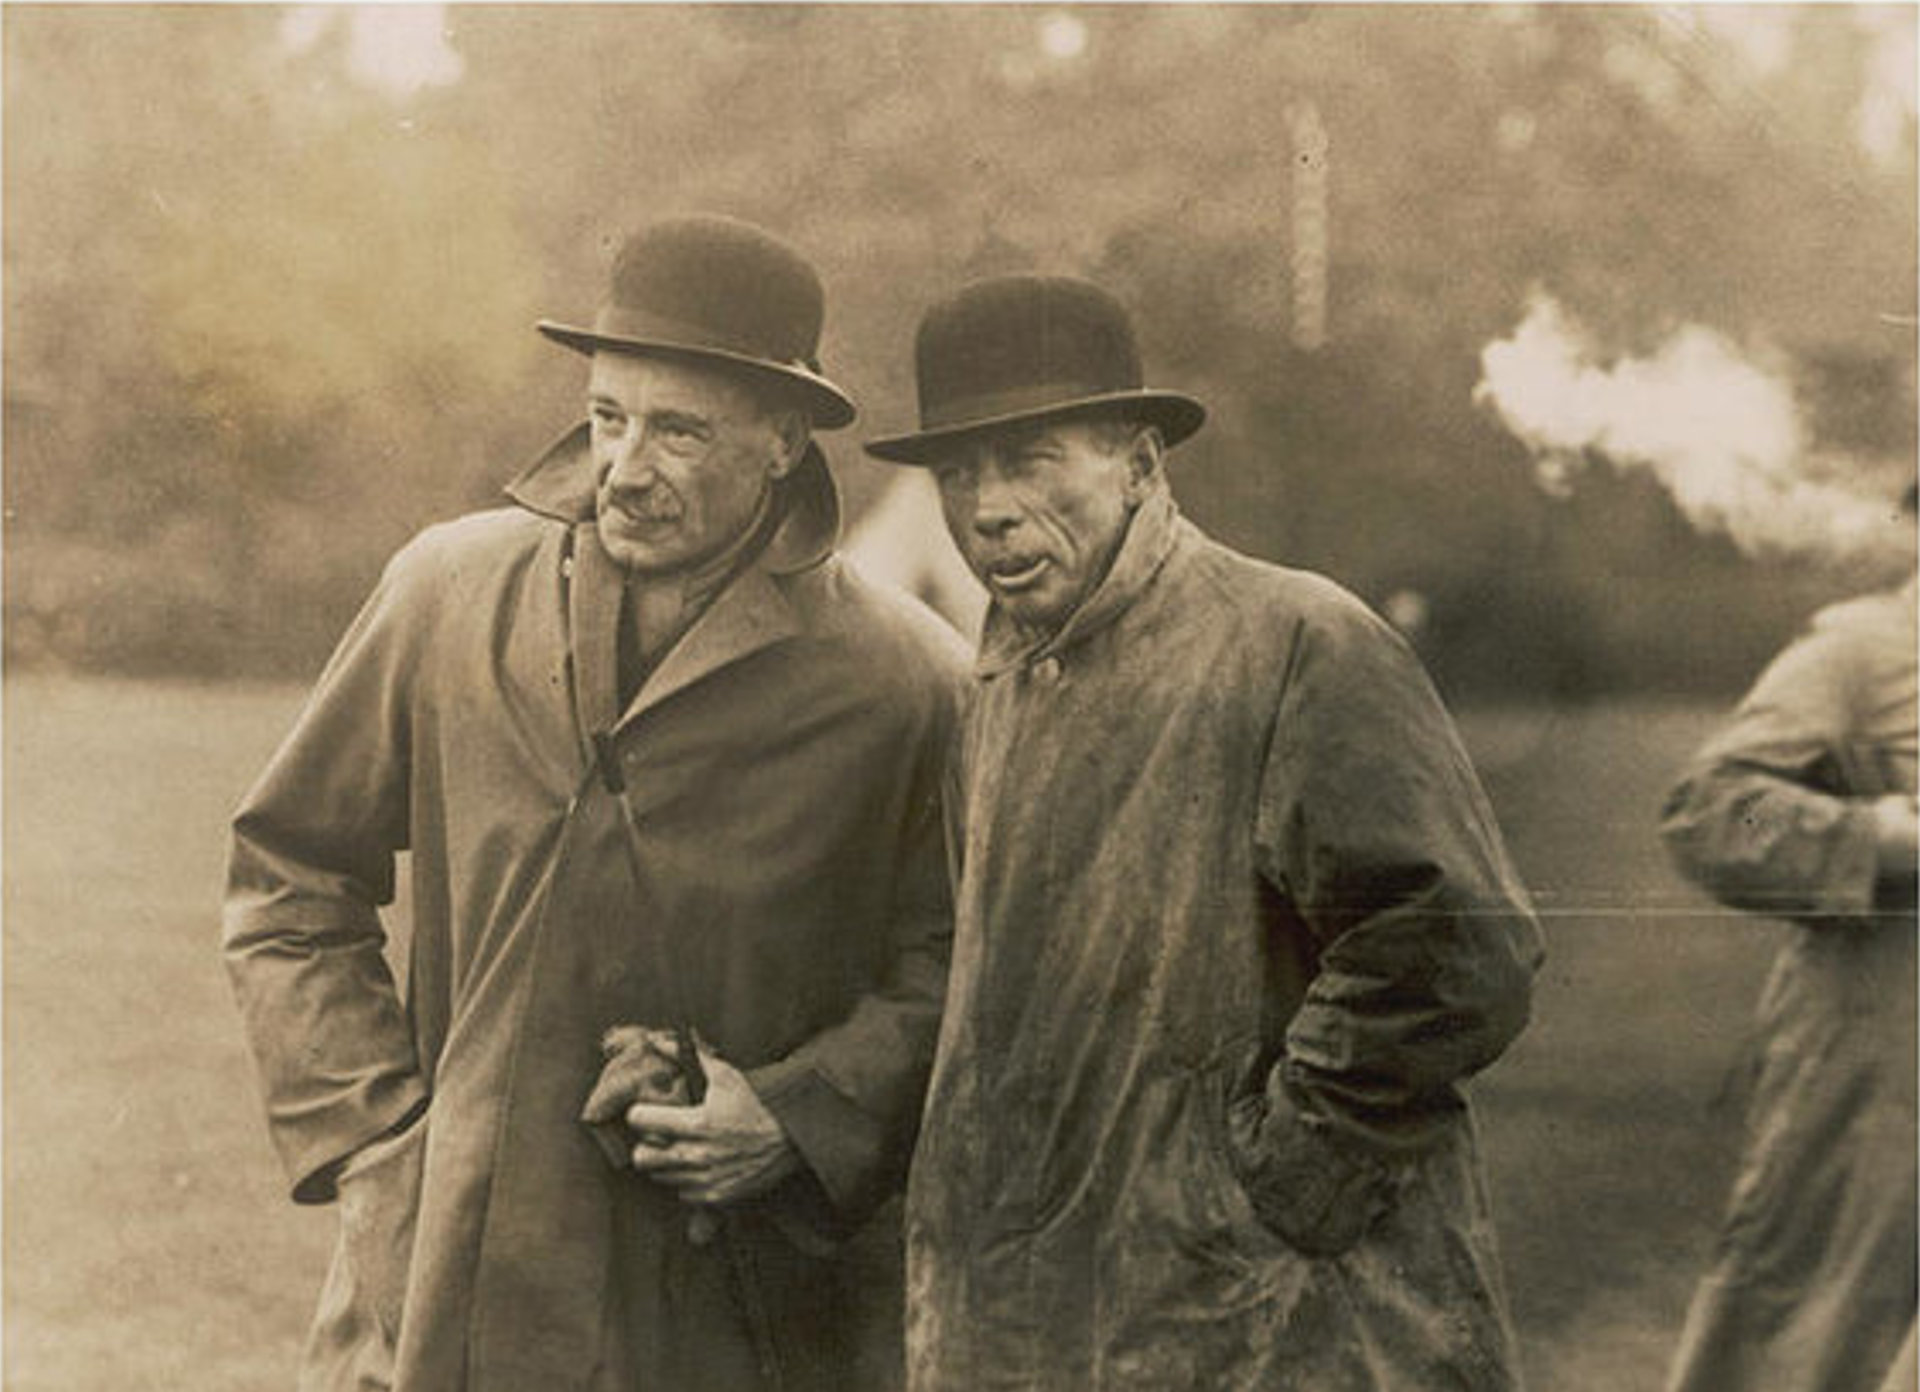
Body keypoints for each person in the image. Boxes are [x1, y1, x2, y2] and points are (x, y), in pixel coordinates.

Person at [223, 214, 968, 1392]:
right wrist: (374, 1147)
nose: (624, 466)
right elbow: (289, 876)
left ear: (783, 440)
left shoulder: (906, 682)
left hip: (739, 1309)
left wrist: (792, 1115)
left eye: (677, 430)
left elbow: (957, 970)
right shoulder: (445, 594)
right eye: (607, 417)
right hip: (438, 1296)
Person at [866, 274, 1544, 1390]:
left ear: (1140, 462)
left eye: (1032, 458)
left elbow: (1453, 951)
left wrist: (1273, 1184)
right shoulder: (996, 683)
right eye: (957, 472)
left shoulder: (1295, 642)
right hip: (1059, 1327)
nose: (984, 507)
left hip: (1284, 1328)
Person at [1660, 520, 1917, 1392]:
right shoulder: (1863, 651)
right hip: (1882, 1077)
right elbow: (1712, 808)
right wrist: (1863, 837)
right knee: (1818, 1342)